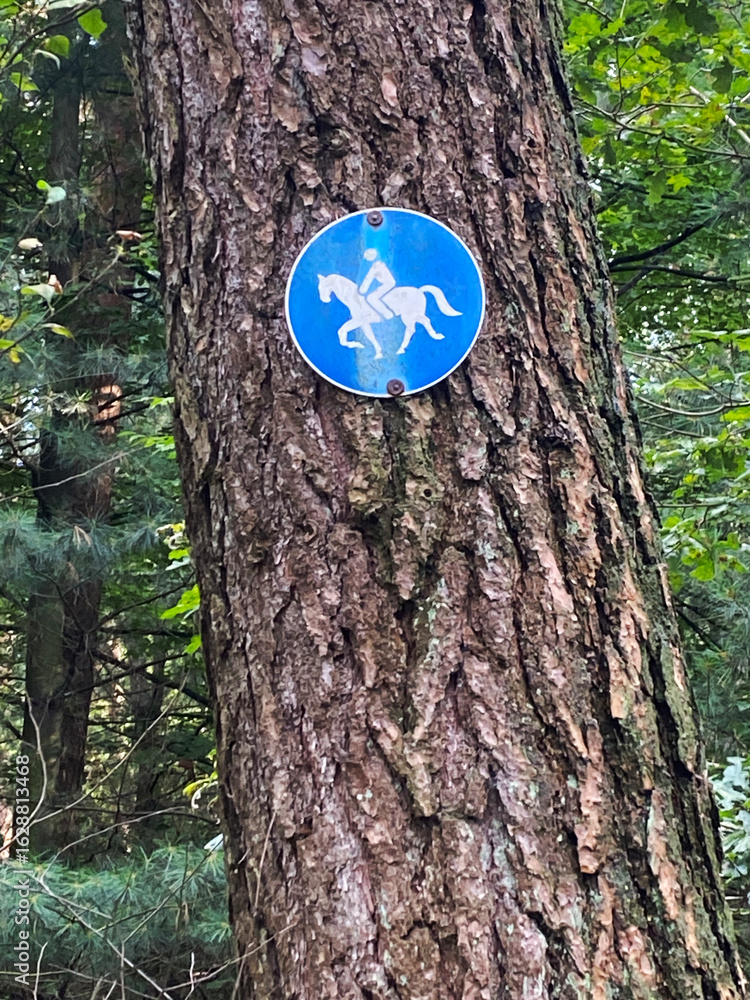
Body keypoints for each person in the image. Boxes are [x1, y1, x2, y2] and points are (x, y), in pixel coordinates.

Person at [359, 248, 396, 320]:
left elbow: (368, 279)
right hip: (386, 283)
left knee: (371, 298)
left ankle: (387, 313)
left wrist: (361, 291)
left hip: (388, 284)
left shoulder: (376, 267)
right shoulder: (379, 264)